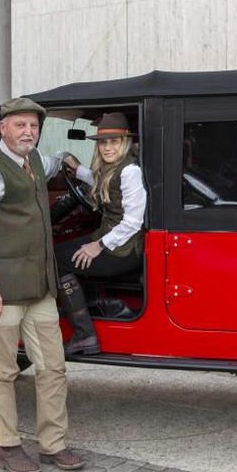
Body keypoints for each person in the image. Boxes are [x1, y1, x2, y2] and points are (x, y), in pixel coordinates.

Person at [0, 97, 84, 472]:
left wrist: (68, 160)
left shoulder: (33, 161)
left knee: (53, 368)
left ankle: (53, 444)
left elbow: (52, 162)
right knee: (1, 372)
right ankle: (8, 446)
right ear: (3, 129)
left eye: (33, 126)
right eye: (20, 125)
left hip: (39, 289)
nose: (28, 132)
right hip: (3, 293)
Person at [57, 112, 146, 355]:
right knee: (59, 253)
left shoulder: (130, 172)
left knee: (56, 261)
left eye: (114, 142)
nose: (107, 148)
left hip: (123, 249)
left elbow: (133, 222)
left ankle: (84, 334)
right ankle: (90, 308)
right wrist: (76, 169)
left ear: (124, 142)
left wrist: (98, 246)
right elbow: (99, 179)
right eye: (103, 143)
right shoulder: (113, 168)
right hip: (110, 239)